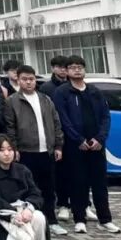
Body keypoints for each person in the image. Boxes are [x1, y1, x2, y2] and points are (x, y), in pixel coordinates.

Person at [52, 56, 119, 234]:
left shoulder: (95, 92)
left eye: (80, 67)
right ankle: (79, 219)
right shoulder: (62, 92)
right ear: (67, 71)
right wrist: (78, 139)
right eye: (73, 67)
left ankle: (105, 219)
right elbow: (63, 119)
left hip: (96, 145)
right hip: (75, 146)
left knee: (100, 184)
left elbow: (105, 117)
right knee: (78, 183)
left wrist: (100, 138)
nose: (77, 70)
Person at [5, 65, 65, 235]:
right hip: (25, 151)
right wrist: (14, 148)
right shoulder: (12, 101)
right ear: (18, 80)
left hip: (47, 151)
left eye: (31, 79)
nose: (28, 82)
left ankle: (51, 220)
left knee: (48, 188)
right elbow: (10, 127)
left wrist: (58, 145)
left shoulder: (45, 99)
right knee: (28, 188)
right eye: (24, 79)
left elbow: (56, 123)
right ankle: (29, 220)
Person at [41, 55, 73, 225]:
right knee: (59, 173)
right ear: (53, 68)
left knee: (77, 172)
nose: (62, 70)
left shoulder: (73, 85)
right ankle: (62, 204)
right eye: (59, 67)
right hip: (56, 135)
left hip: (74, 135)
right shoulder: (46, 88)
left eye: (65, 67)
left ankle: (83, 204)